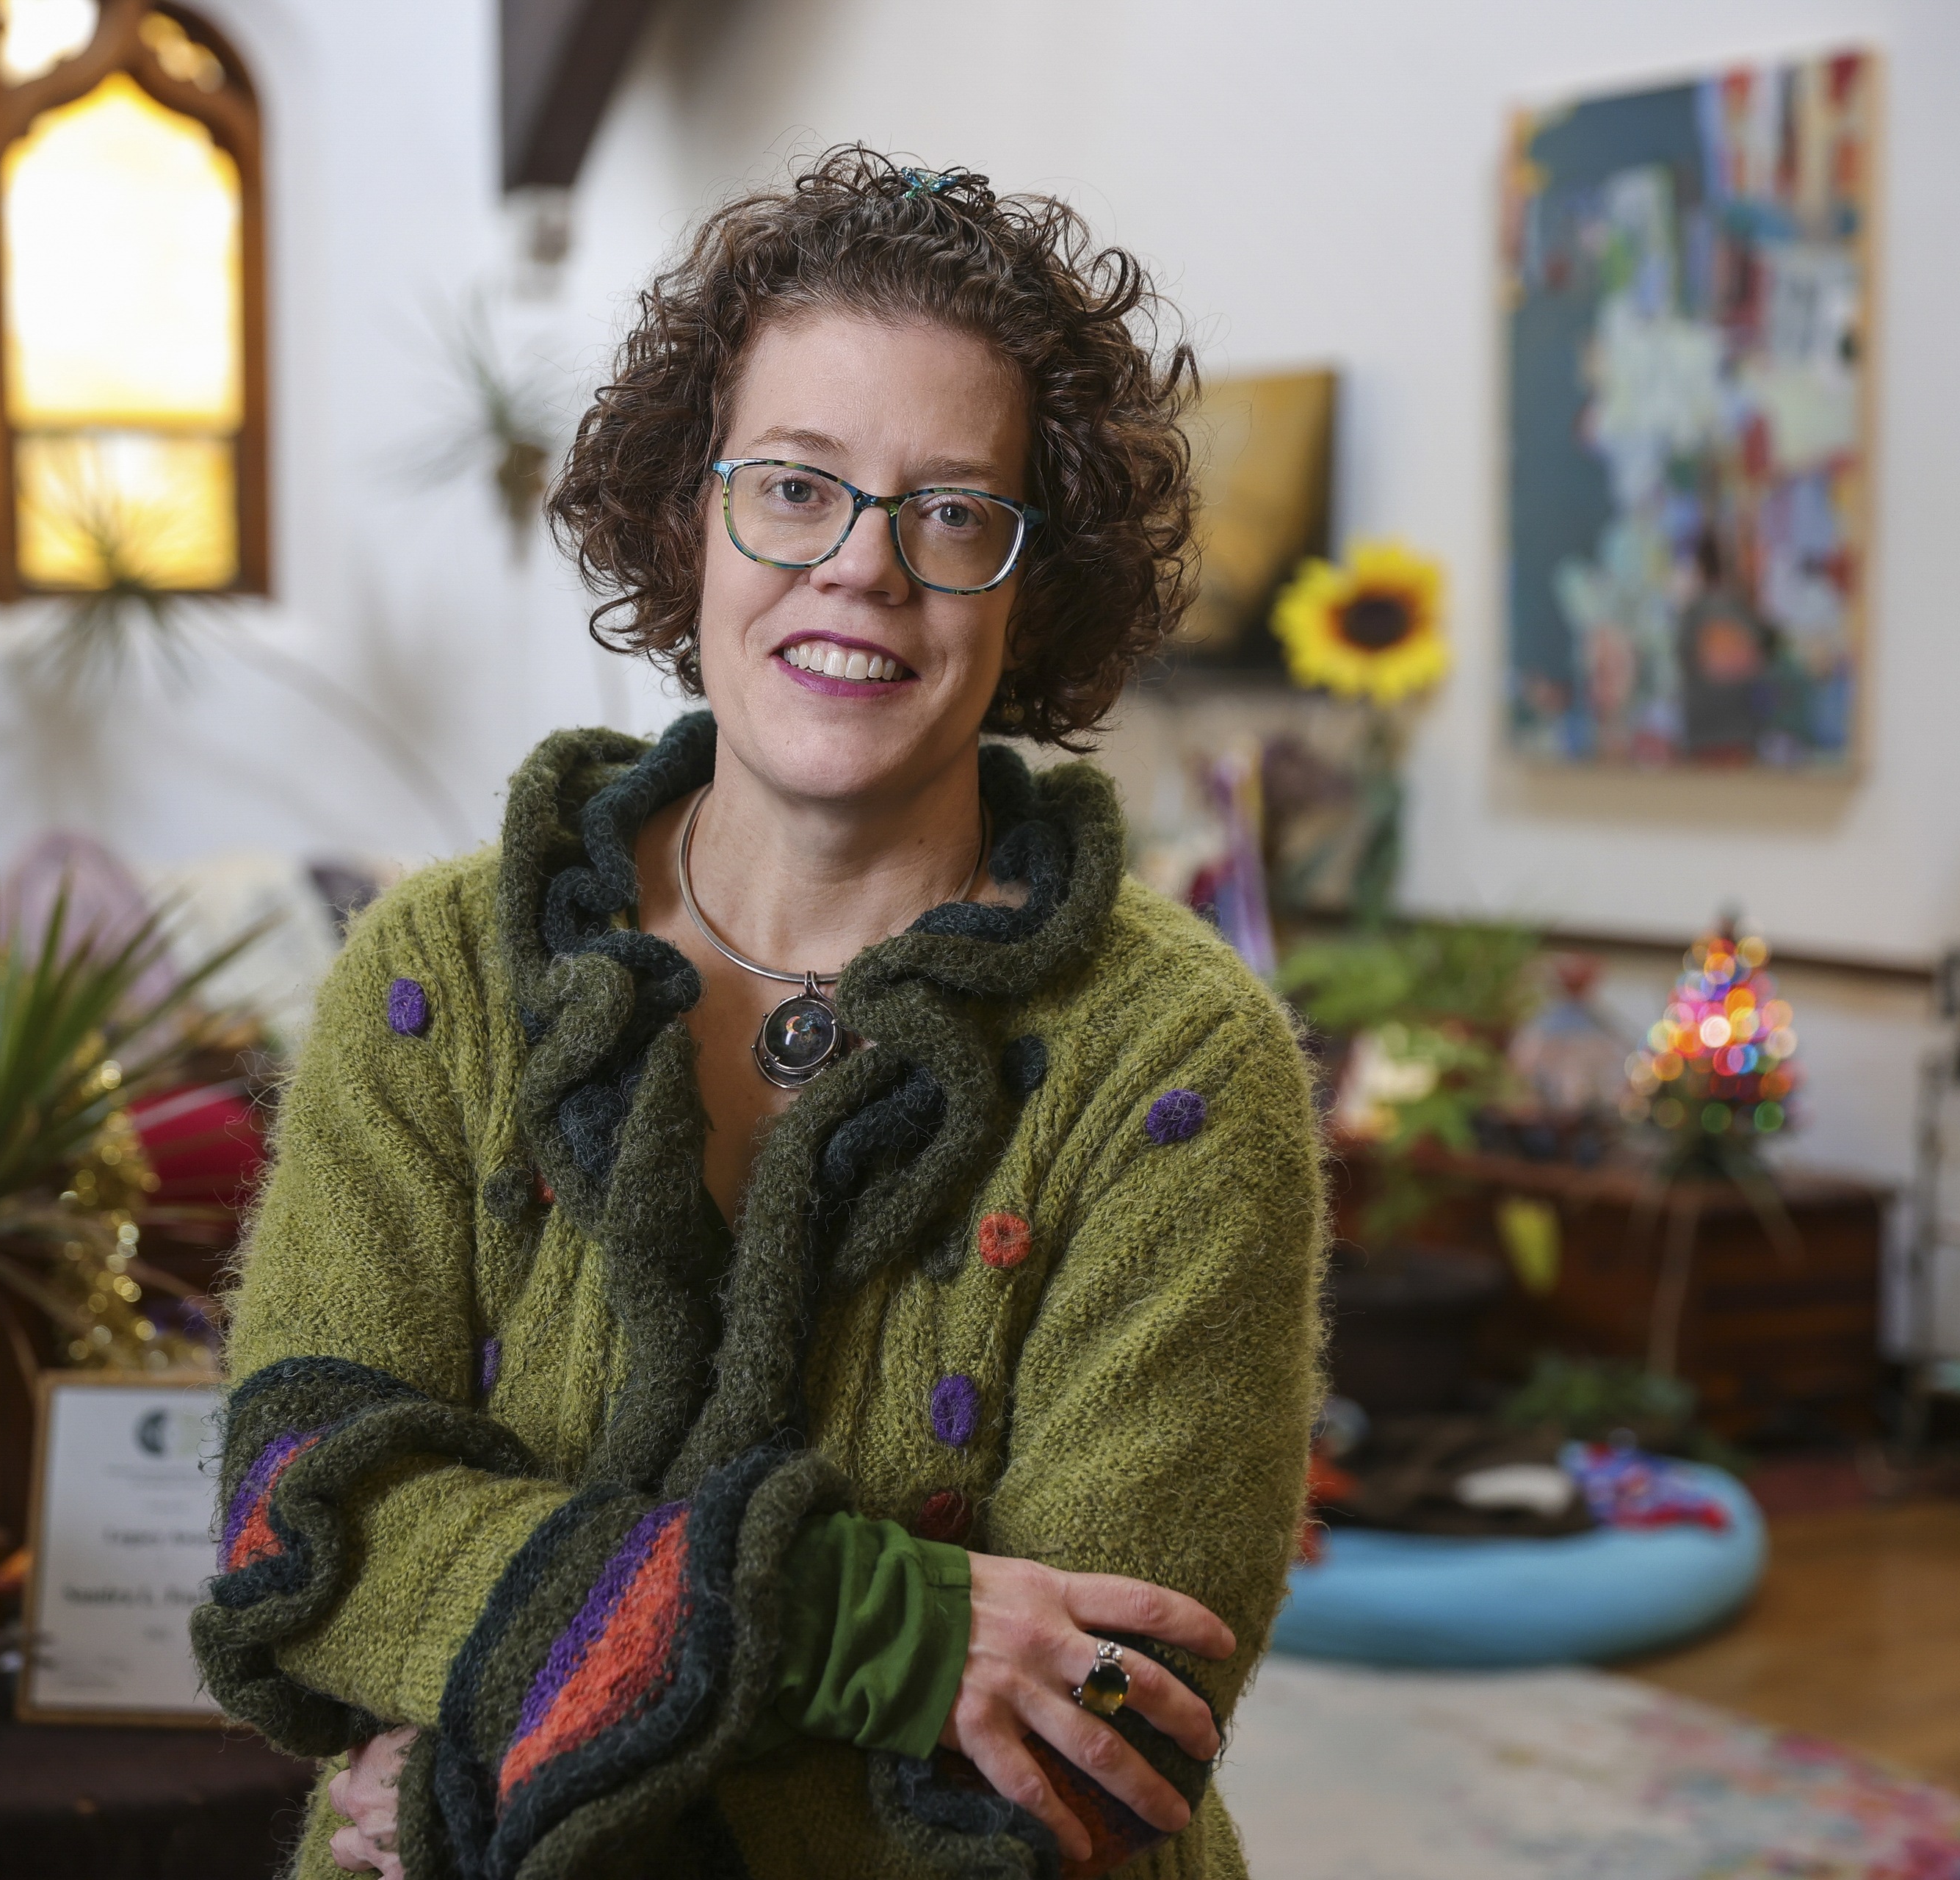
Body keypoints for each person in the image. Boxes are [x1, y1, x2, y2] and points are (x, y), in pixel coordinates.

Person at [192, 148, 1324, 1880]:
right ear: (686, 514)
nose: (863, 567)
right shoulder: (441, 977)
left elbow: (1105, 1720)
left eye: (953, 511)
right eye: (796, 487)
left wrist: (494, 1740)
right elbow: (302, 1514)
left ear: (1033, 586)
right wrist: (893, 1629)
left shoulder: (1176, 1067)